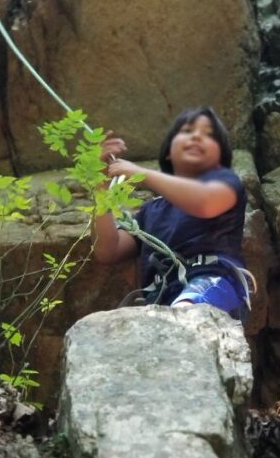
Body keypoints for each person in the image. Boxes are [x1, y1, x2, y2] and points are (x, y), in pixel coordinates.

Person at [92, 106, 252, 320]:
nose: (196, 136)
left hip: (213, 282)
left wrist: (140, 173)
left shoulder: (226, 184)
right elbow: (108, 251)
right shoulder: (151, 211)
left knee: (184, 313)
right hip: (161, 298)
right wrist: (101, 187)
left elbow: (205, 203)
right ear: (169, 151)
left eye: (209, 135)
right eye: (187, 131)